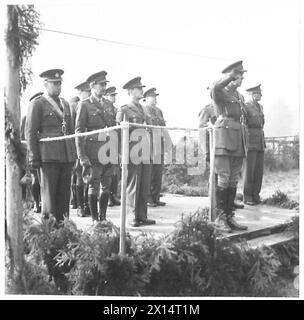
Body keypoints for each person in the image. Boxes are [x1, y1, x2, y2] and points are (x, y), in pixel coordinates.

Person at [25, 69, 77, 223]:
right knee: (49, 198)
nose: (58, 86)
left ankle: (63, 229)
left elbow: (71, 132)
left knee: (64, 197)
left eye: (59, 83)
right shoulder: (38, 104)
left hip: (66, 156)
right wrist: (33, 157)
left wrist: (73, 155)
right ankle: (49, 230)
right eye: (54, 84)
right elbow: (30, 132)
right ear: (45, 84)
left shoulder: (65, 104)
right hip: (48, 157)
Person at [211, 61, 248, 232]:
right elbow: (215, 88)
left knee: (233, 179)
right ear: (230, 76)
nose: (241, 78)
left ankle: (229, 215)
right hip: (224, 139)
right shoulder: (220, 91)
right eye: (238, 75)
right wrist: (229, 77)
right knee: (224, 179)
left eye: (241, 75)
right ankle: (220, 218)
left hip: (237, 138)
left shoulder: (238, 96)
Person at [75, 71, 115, 224]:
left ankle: (103, 218)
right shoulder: (84, 105)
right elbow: (78, 132)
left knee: (107, 186)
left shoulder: (109, 105)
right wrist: (82, 156)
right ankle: (94, 219)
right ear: (92, 86)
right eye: (101, 84)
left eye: (105, 84)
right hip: (93, 152)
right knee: (94, 186)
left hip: (109, 150)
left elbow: (114, 129)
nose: (104, 87)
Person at [116, 77, 156, 227]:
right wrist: (120, 154)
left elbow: (150, 129)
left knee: (144, 184)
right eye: (138, 89)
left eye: (141, 88)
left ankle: (142, 215)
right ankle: (131, 216)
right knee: (133, 185)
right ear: (130, 91)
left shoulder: (144, 109)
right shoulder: (124, 109)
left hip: (146, 151)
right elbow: (118, 134)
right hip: (132, 151)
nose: (141, 91)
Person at [199, 88, 244, 210]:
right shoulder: (207, 108)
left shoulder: (227, 107)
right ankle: (215, 209)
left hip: (229, 145)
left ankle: (228, 208)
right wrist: (206, 152)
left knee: (229, 179)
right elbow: (202, 131)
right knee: (217, 180)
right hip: (216, 148)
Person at [70, 82, 91, 217]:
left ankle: (86, 205)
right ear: (80, 92)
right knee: (79, 177)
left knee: (89, 177)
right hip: (78, 146)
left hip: (89, 145)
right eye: (86, 92)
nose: (88, 94)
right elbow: (72, 129)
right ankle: (79, 205)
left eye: (89, 91)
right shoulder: (74, 106)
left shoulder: (90, 105)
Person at [142, 88, 166, 207]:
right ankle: (148, 198)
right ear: (146, 98)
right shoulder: (143, 110)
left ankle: (156, 196)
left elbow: (163, 127)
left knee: (157, 172)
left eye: (155, 97)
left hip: (159, 142)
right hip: (149, 143)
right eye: (153, 97)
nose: (155, 99)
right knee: (149, 171)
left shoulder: (159, 111)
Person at [243, 84, 265, 205]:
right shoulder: (246, 107)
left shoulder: (260, 107)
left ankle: (256, 195)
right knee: (249, 170)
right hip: (251, 138)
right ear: (251, 94)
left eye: (260, 93)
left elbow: (262, 123)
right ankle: (247, 196)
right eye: (257, 93)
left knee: (258, 170)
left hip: (260, 139)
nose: (260, 95)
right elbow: (244, 124)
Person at [21, 92, 43, 212]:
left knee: (41, 179)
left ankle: (40, 202)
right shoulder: (26, 117)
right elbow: (22, 137)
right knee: (35, 178)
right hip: (30, 151)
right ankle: (36, 203)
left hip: (42, 151)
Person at [103, 86, 121, 207]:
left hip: (114, 143)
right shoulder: (104, 109)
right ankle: (107, 196)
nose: (113, 98)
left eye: (114, 95)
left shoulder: (116, 110)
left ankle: (113, 195)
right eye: (111, 95)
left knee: (115, 173)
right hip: (104, 144)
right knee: (105, 174)